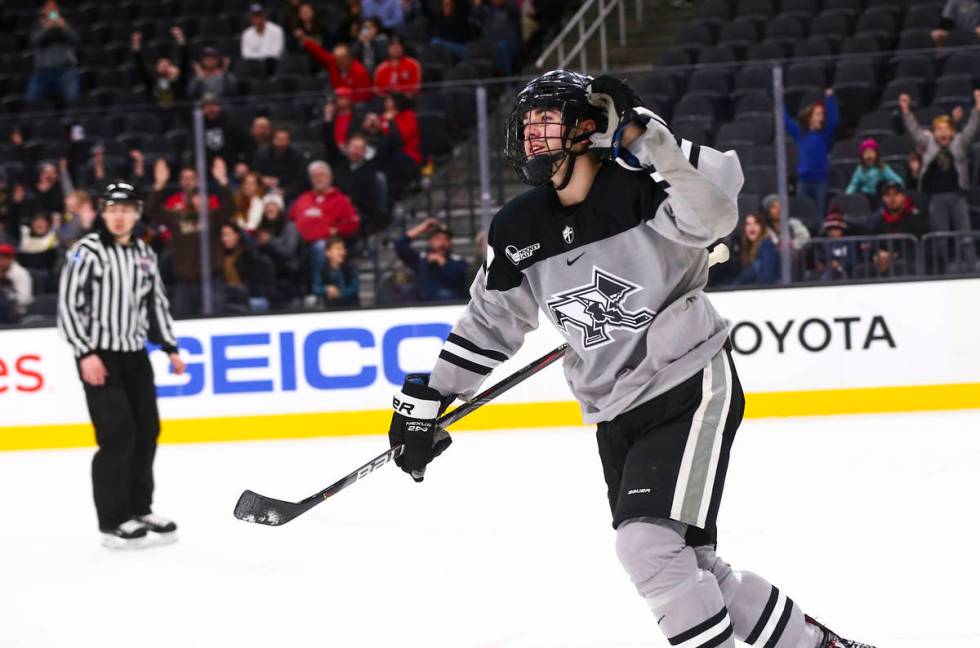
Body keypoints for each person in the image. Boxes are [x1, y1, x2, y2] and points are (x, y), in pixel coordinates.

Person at [384, 71, 875, 648]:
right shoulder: (518, 227)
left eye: (549, 121)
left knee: (645, 547)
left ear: (587, 128)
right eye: (528, 124)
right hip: (612, 409)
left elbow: (715, 214)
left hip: (687, 382)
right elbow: (491, 321)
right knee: (689, 565)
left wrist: (647, 136)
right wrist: (434, 397)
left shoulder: (643, 187)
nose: (533, 136)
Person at [56, 182, 184, 549]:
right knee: (116, 435)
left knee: (147, 431)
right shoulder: (86, 252)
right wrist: (85, 353)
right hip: (101, 357)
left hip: (135, 356)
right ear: (103, 212)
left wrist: (170, 347)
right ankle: (112, 521)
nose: (119, 215)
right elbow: (67, 307)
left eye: (126, 209)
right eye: (113, 209)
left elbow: (155, 303)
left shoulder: (144, 253)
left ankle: (139, 508)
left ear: (137, 213)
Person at [146, 158, 234, 316]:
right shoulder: (178, 217)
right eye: (196, 196)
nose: (200, 200)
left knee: (217, 319)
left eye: (203, 196)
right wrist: (159, 184)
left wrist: (223, 181)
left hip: (212, 281)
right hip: (185, 282)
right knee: (182, 320)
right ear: (190, 199)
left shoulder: (213, 217)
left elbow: (230, 207)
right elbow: (151, 210)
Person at [899, 91, 980, 236]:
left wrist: (978, 107)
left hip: (957, 195)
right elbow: (914, 131)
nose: (943, 133)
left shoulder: (959, 141)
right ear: (933, 132)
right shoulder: (928, 143)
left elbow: (972, 128)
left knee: (964, 234)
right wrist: (906, 111)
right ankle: (941, 258)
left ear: (952, 132)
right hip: (936, 197)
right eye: (939, 129)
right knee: (939, 235)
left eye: (947, 129)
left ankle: (969, 258)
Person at [287, 161, 360, 296]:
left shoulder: (340, 199)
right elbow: (289, 220)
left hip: (327, 245)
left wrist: (337, 230)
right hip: (301, 245)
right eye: (315, 176)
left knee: (321, 247)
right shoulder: (303, 199)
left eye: (322, 175)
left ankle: (318, 291)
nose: (318, 179)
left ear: (329, 177)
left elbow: (353, 222)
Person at [323, 106, 390, 234]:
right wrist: (328, 119)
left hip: (360, 213)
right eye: (354, 147)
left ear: (365, 151)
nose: (356, 151)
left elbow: (385, 146)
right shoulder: (339, 162)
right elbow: (328, 142)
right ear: (347, 148)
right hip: (335, 209)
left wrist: (380, 127)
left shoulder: (371, 168)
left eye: (360, 148)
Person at [784, 89, 838, 218]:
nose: (822, 117)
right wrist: (780, 98)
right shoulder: (800, 134)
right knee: (803, 216)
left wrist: (829, 99)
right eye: (818, 114)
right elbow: (785, 120)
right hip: (803, 182)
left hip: (820, 182)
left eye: (822, 115)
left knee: (819, 217)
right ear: (810, 117)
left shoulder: (825, 135)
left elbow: (833, 121)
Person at [393, 217, 468, 301]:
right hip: (423, 305)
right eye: (437, 238)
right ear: (430, 241)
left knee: (444, 294)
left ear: (450, 242)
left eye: (446, 239)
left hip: (447, 307)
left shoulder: (458, 261)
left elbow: (460, 282)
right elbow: (400, 245)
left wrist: (444, 263)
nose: (442, 243)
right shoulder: (421, 259)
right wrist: (422, 228)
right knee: (408, 290)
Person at [27, 1, 80, 107]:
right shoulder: (38, 25)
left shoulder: (65, 23)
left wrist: (64, 27)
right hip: (43, 73)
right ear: (43, 10)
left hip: (65, 71)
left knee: (73, 102)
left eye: (54, 7)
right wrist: (46, 28)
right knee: (31, 102)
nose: (52, 10)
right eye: (49, 7)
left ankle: (73, 122)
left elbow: (75, 40)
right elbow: (35, 41)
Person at [255, 193, 304, 304]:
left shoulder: (290, 227)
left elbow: (289, 252)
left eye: (274, 205)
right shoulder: (262, 228)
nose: (270, 209)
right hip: (269, 278)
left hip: (290, 275)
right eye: (267, 206)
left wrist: (270, 242)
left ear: (280, 209)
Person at [131, 26, 188, 117]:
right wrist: (136, 44)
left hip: (176, 117)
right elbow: (140, 66)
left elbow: (185, 61)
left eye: (166, 64)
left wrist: (180, 39)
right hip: (157, 117)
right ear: (156, 68)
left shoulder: (178, 81)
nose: (164, 66)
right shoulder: (152, 81)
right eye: (161, 64)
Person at [296, 37, 373, 103]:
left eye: (343, 59)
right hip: (336, 103)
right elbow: (320, 54)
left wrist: (346, 100)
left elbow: (364, 97)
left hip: (354, 108)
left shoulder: (360, 72)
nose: (340, 62)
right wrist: (307, 42)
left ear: (350, 58)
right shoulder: (333, 63)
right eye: (337, 60)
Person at [219, 222, 275, 312]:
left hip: (251, 298)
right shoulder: (219, 258)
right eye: (222, 236)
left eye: (227, 235)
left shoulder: (249, 256)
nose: (224, 239)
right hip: (229, 300)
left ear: (237, 236)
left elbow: (256, 284)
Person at [253, 126, 308, 199]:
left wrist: (285, 191)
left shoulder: (297, 156)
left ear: (289, 141)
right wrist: (263, 179)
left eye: (285, 140)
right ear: (273, 140)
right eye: (279, 139)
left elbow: (301, 181)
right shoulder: (262, 153)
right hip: (264, 191)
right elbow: (254, 173)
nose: (281, 143)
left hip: (288, 194)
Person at [201, 94, 249, 169]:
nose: (211, 109)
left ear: (220, 107)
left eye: (214, 105)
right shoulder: (198, 125)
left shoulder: (231, 123)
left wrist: (241, 162)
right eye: (207, 106)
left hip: (231, 168)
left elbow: (244, 144)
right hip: (206, 171)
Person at [734, 212, 781, 285]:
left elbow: (766, 278)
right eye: (748, 224)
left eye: (756, 223)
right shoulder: (747, 250)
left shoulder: (767, 246)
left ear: (762, 227)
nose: (752, 227)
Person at [812, 208, 856, 281]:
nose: (833, 233)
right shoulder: (823, 244)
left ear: (841, 231)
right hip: (827, 273)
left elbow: (852, 259)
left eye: (836, 230)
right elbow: (820, 260)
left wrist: (840, 264)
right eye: (830, 230)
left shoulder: (848, 243)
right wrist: (828, 264)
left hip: (847, 273)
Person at [241, 3, 285, 74]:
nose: (257, 19)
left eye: (259, 15)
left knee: (271, 62)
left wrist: (259, 57)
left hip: (272, 67)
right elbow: (245, 54)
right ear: (251, 18)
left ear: (264, 16)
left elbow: (276, 53)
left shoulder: (277, 30)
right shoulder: (246, 34)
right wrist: (261, 59)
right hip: (253, 67)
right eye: (255, 16)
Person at [321, 237, 360, 307]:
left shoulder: (351, 267)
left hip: (351, 307)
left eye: (343, 249)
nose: (342, 252)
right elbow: (315, 287)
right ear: (328, 253)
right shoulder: (323, 269)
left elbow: (354, 288)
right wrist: (326, 289)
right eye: (338, 249)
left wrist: (339, 293)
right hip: (330, 308)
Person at [0, 243, 33, 322]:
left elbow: (25, 299)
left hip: (18, 312)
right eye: (0, 257)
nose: (2, 260)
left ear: (12, 258)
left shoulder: (21, 273)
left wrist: (9, 295)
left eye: (6, 257)